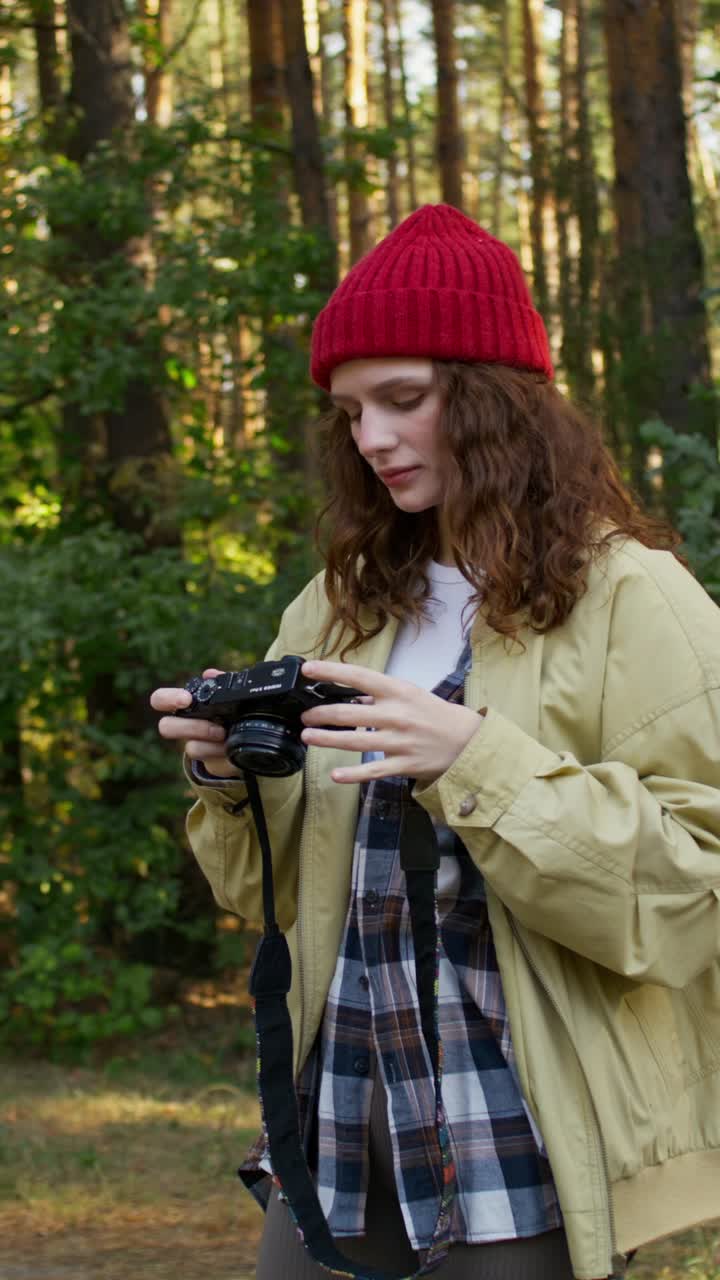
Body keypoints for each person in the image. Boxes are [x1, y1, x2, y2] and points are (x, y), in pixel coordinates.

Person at [151, 204, 720, 1280]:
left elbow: (697, 889)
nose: (371, 439)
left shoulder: (634, 598)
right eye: (350, 412)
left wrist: (477, 761)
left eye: (403, 399)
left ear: (499, 399)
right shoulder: (340, 605)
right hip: (336, 1109)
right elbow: (266, 894)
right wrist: (229, 779)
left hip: (518, 1125)